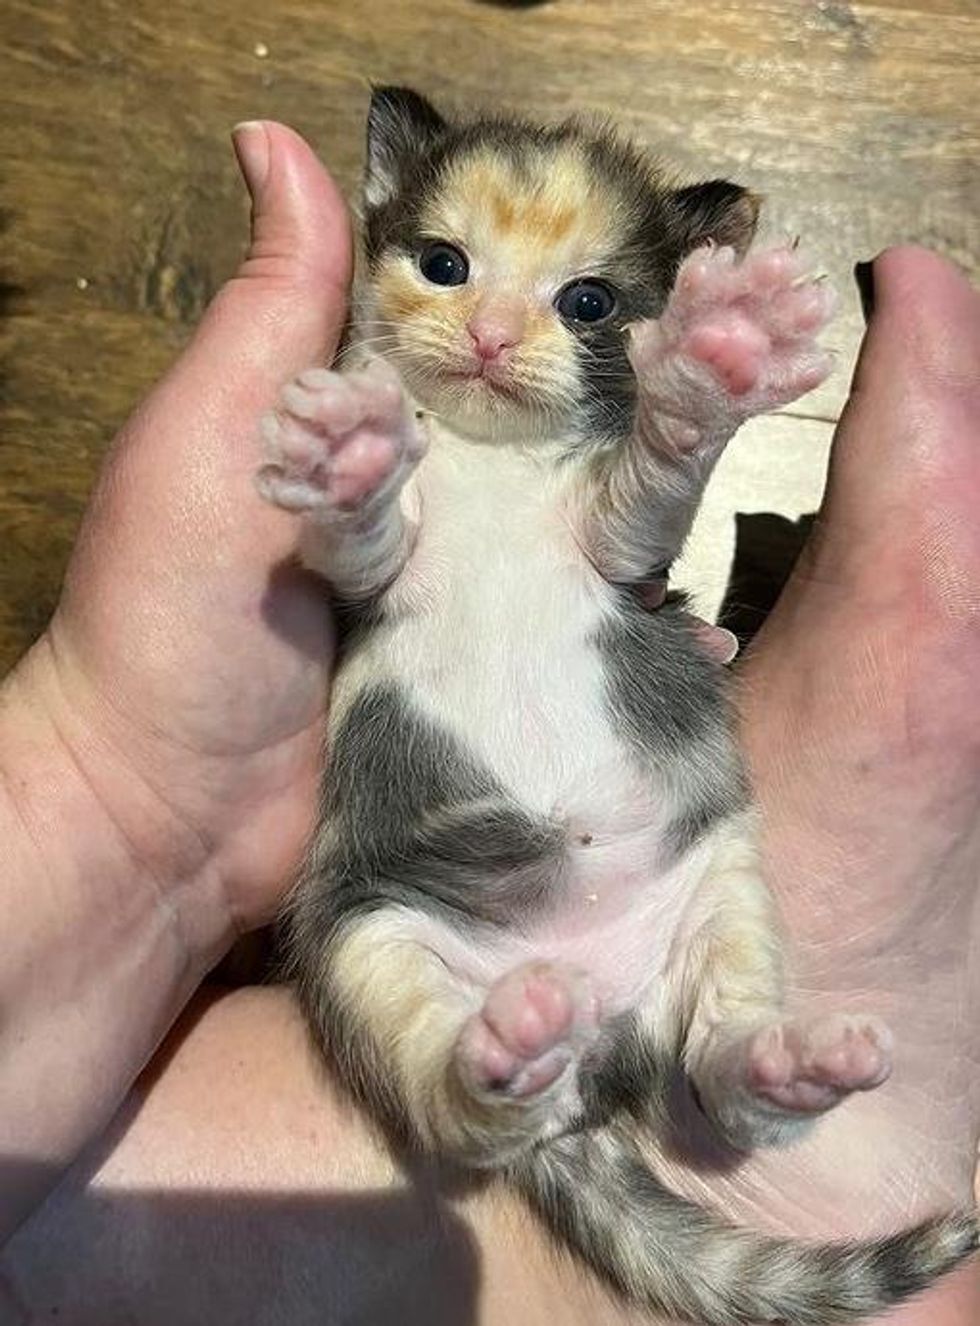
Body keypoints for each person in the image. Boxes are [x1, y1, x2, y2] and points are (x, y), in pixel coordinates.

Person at [0, 122, 977, 1325]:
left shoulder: (578, 476)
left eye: (580, 301)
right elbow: (375, 566)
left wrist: (680, 425)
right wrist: (354, 498)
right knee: (368, 946)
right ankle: (487, 1099)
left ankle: (733, 1065)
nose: (494, 332)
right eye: (447, 265)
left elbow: (622, 528)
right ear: (377, 234)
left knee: (709, 868)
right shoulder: (390, 444)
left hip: (642, 874)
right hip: (434, 903)